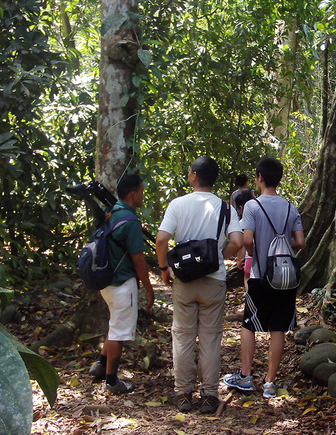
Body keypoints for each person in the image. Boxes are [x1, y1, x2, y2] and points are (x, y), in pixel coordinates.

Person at [156, 157, 242, 414]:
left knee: (182, 335)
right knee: (210, 338)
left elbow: (162, 239)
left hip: (184, 280)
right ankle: (209, 395)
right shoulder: (226, 209)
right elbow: (237, 241)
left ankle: (183, 394)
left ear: (194, 175)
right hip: (213, 280)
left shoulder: (178, 204)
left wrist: (163, 269)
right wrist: (219, 255)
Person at [223, 157, 305, 398]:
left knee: (250, 324)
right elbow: (300, 241)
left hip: (260, 275)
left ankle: (246, 376)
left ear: (259, 177)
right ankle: (270, 382)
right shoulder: (291, 207)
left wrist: (254, 251)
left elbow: (247, 240)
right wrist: (283, 246)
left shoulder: (252, 207)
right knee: (277, 327)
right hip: (285, 278)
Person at [88, 173, 155, 395]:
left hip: (107, 283)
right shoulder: (131, 221)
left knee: (114, 324)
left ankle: (100, 365)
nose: (143, 196)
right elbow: (138, 260)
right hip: (122, 283)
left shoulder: (112, 212)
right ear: (134, 194)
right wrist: (149, 289)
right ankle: (112, 380)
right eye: (142, 191)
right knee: (119, 332)